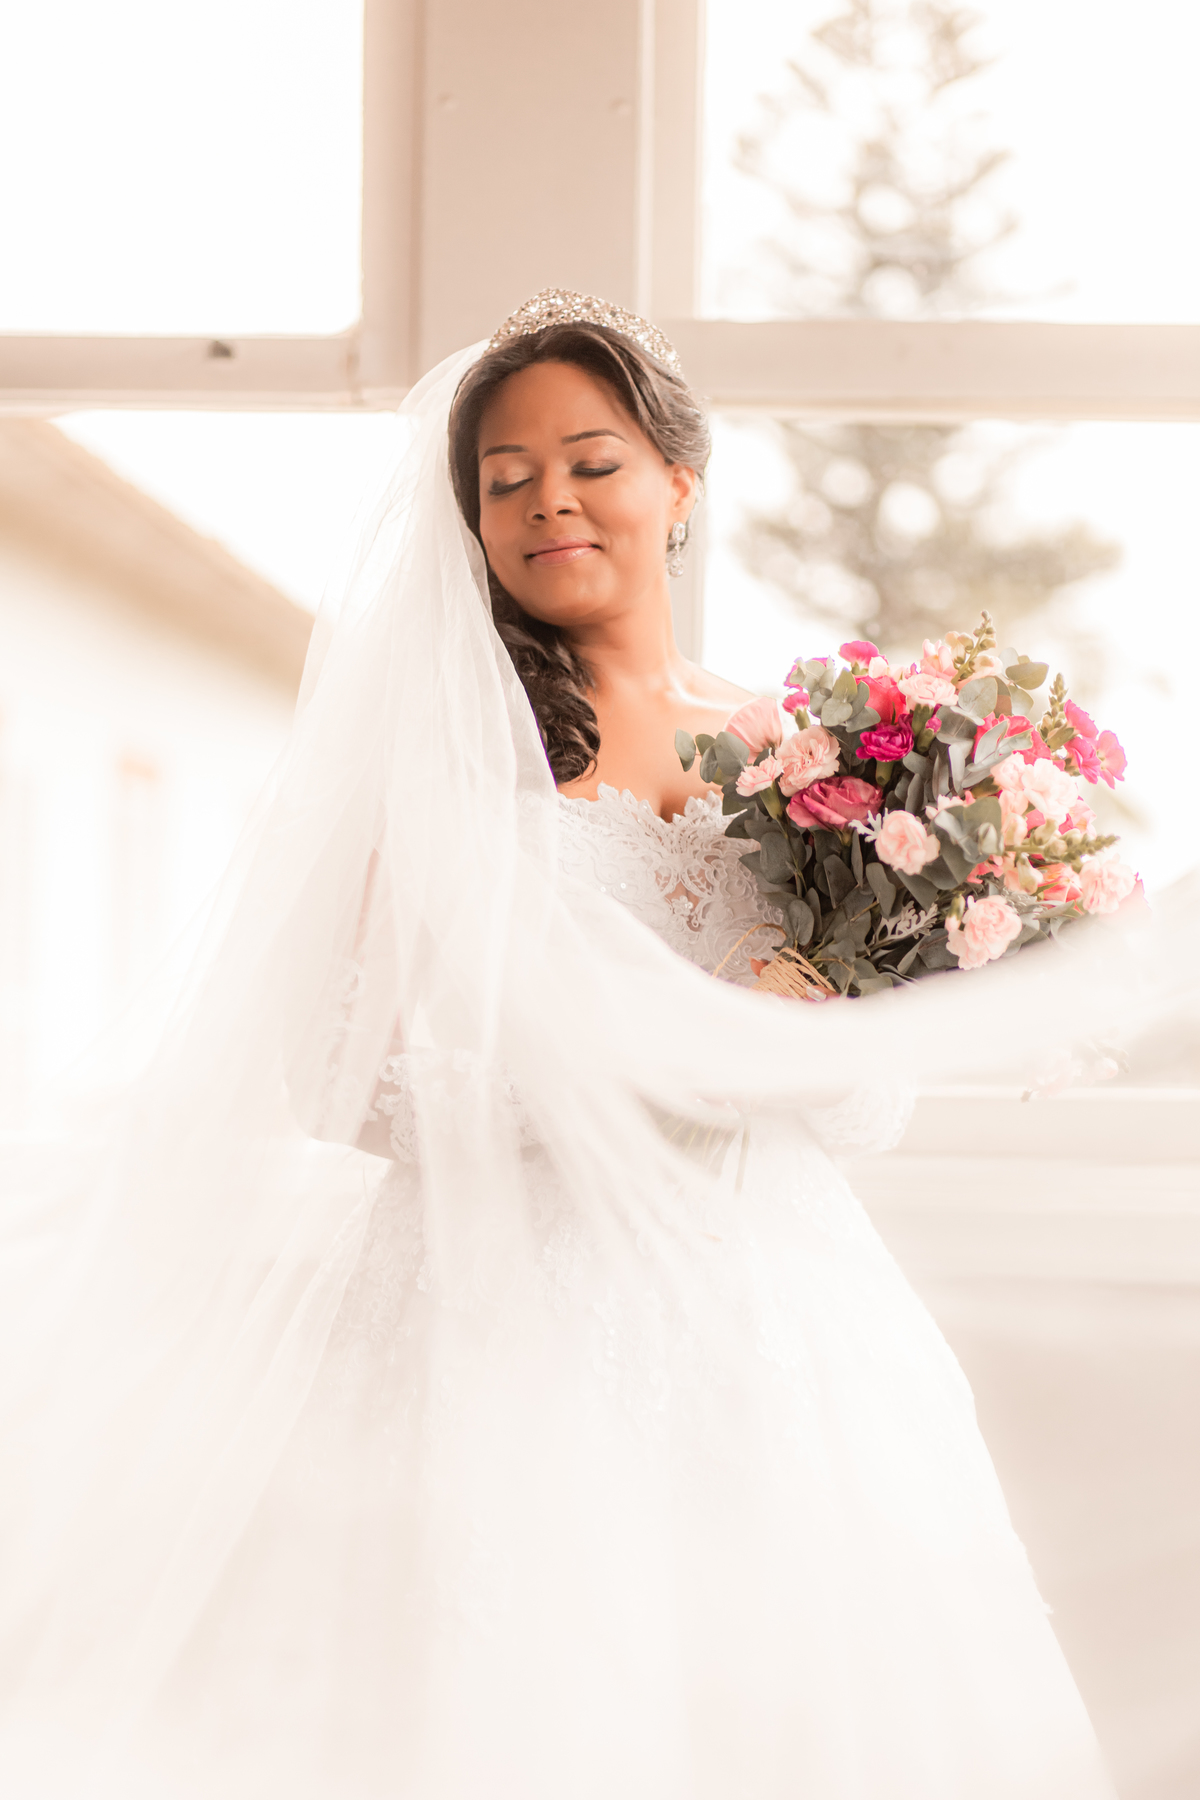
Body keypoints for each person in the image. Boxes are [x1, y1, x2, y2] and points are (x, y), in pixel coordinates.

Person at [0, 293, 1122, 1798]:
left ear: (679, 481)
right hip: (504, 1314)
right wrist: (668, 1059)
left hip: (780, 1319)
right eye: (507, 479)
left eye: (590, 460)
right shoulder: (456, 750)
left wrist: (814, 1029)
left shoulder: (808, 760)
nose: (550, 503)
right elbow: (350, 1080)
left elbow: (858, 1108)